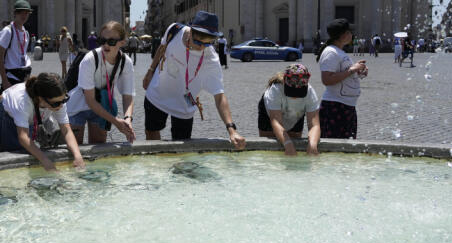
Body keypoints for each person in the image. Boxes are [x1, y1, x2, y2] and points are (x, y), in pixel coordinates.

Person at [142, 11, 246, 149]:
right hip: (158, 93)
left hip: (185, 103)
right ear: (191, 31)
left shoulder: (211, 59)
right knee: (151, 133)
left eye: (208, 43)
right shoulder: (175, 30)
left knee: (182, 148)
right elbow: (162, 47)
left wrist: (231, 129)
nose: (201, 47)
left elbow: (220, 96)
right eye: (198, 41)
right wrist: (150, 71)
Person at [0, 72, 85, 171]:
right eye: (56, 103)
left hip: (29, 114)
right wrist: (45, 161)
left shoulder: (57, 99)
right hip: (3, 114)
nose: (60, 106)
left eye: (64, 100)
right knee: (15, 152)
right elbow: (23, 137)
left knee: (31, 150)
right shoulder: (22, 101)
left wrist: (78, 156)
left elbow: (66, 130)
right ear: (41, 99)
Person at [66, 21, 137, 145]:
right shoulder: (90, 59)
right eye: (102, 40)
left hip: (102, 107)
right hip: (77, 107)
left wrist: (127, 119)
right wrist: (116, 122)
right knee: (74, 151)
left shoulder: (126, 62)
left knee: (98, 151)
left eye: (111, 41)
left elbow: (128, 96)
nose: (105, 45)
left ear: (122, 42)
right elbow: (90, 100)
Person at [317, 18, 368, 139]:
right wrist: (352, 69)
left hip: (346, 105)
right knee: (335, 149)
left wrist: (358, 71)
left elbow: (344, 74)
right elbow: (327, 79)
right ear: (344, 35)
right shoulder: (331, 52)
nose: (351, 34)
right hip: (335, 107)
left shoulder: (339, 52)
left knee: (345, 149)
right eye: (349, 32)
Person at [258, 64, 320, 156]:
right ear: (284, 81)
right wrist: (288, 145)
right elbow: (276, 122)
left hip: (296, 113)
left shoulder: (310, 92)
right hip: (270, 115)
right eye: (291, 91)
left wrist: (313, 146)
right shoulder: (275, 90)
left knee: (295, 142)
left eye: (299, 93)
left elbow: (314, 125)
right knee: (271, 148)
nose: (294, 97)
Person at [0, 1, 33, 93]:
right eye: (21, 12)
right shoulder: (8, 31)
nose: (24, 15)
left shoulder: (26, 33)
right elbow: (0, 57)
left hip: (24, 76)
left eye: (26, 13)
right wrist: (5, 81)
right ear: (15, 13)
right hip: (11, 77)